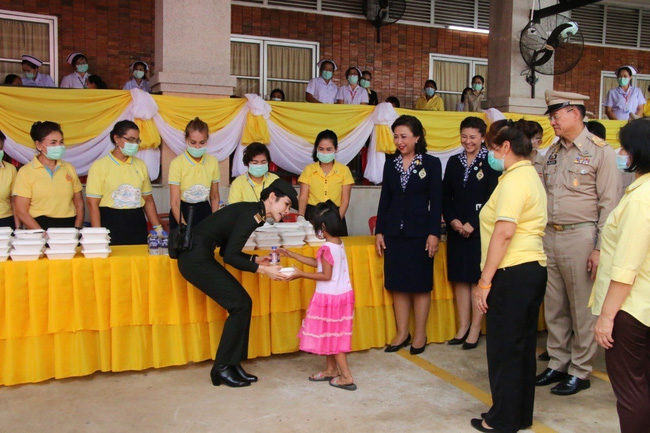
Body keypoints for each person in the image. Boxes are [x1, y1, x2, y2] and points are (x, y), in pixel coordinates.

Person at [535, 90, 620, 396]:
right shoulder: (553, 151)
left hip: (581, 236)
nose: (552, 121)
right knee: (555, 305)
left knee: (582, 308)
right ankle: (558, 362)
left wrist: (599, 248)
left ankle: (580, 370)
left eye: (556, 115)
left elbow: (609, 205)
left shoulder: (601, 152)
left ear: (574, 112)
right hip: (551, 234)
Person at [176, 179, 296, 387]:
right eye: (286, 204)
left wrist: (256, 260)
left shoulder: (254, 213)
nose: (287, 211)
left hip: (199, 256)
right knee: (240, 304)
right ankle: (222, 368)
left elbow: (226, 251)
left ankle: (232, 364)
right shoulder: (252, 215)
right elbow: (230, 257)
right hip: (195, 260)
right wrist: (265, 270)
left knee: (242, 304)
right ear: (271, 198)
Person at [471, 119, 548, 433]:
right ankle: (518, 415)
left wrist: (484, 281)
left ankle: (501, 419)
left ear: (506, 147)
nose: (490, 155)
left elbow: (503, 233)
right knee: (520, 348)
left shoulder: (515, 180)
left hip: (512, 271)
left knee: (504, 349)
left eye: (492, 148)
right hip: (529, 270)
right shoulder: (527, 174)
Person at [590, 118, 650, 433]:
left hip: (631, 308)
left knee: (631, 390)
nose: (620, 152)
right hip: (643, 305)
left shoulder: (641, 198)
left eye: (624, 147)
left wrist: (606, 318)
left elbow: (626, 268)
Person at [375, 115, 442, 356]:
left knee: (420, 286)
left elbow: (437, 201)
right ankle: (402, 332)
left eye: (404, 136)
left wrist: (435, 232)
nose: (399, 141)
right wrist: (380, 230)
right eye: (396, 136)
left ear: (417, 137)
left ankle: (420, 333)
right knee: (398, 285)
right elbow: (386, 199)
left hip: (420, 233)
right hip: (394, 232)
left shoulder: (432, 164)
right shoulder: (390, 163)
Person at [279, 201, 356, 391]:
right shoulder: (337, 243)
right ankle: (331, 370)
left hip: (330, 298)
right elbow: (320, 264)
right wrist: (292, 254)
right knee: (331, 335)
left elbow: (325, 275)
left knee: (336, 339)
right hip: (341, 295)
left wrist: (300, 274)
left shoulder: (327, 248)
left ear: (323, 226)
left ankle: (346, 376)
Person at [443, 117, 498, 350]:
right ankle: (463, 326)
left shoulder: (492, 162)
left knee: (477, 279)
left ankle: (476, 328)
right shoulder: (454, 161)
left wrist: (473, 223)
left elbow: (493, 199)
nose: (468, 141)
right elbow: (445, 195)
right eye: (464, 136)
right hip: (456, 231)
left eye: (473, 137)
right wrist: (453, 220)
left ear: (483, 137)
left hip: (479, 231)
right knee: (460, 279)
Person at [86, 120, 162, 244]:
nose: (134, 144)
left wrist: (158, 228)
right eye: (130, 139)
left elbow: (148, 200)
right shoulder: (100, 166)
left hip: (136, 220)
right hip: (111, 221)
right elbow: (92, 203)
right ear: (117, 138)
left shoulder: (140, 165)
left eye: (137, 140)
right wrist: (98, 233)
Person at [12, 121, 84, 230]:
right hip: (39, 226)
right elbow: (21, 211)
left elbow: (79, 202)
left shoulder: (69, 168)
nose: (59, 146)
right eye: (53, 143)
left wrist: (77, 227)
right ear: (38, 145)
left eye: (61, 142)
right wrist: (41, 233)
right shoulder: (26, 171)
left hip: (69, 226)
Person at [298, 130, 353, 235]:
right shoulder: (309, 170)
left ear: (336, 149)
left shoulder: (344, 170)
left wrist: (336, 221)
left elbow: (345, 201)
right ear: (316, 149)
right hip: (312, 215)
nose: (324, 153)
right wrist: (300, 216)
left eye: (329, 149)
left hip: (335, 215)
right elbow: (303, 197)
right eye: (321, 149)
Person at [168, 118, 220, 230]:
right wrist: (183, 226)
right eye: (193, 142)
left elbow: (215, 197)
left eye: (202, 143)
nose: (197, 147)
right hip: (182, 212)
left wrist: (215, 222)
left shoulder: (213, 162)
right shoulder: (177, 163)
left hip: (204, 210)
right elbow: (175, 202)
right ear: (186, 139)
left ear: (207, 140)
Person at [0, 130, 18, 228]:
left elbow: (14, 201)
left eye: (0, 148)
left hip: (6, 222)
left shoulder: (10, 169)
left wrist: (18, 228)